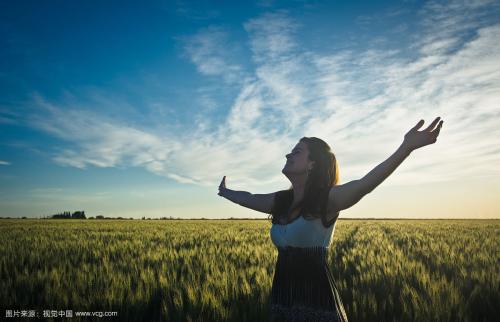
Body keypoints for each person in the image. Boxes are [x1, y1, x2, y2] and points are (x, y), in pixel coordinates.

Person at [217, 117, 444, 322]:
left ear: (312, 164)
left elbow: (366, 183)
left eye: (297, 151)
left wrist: (406, 147)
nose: (288, 154)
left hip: (317, 304)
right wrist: (226, 193)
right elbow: (248, 198)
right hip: (282, 300)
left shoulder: (327, 199)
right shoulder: (281, 201)